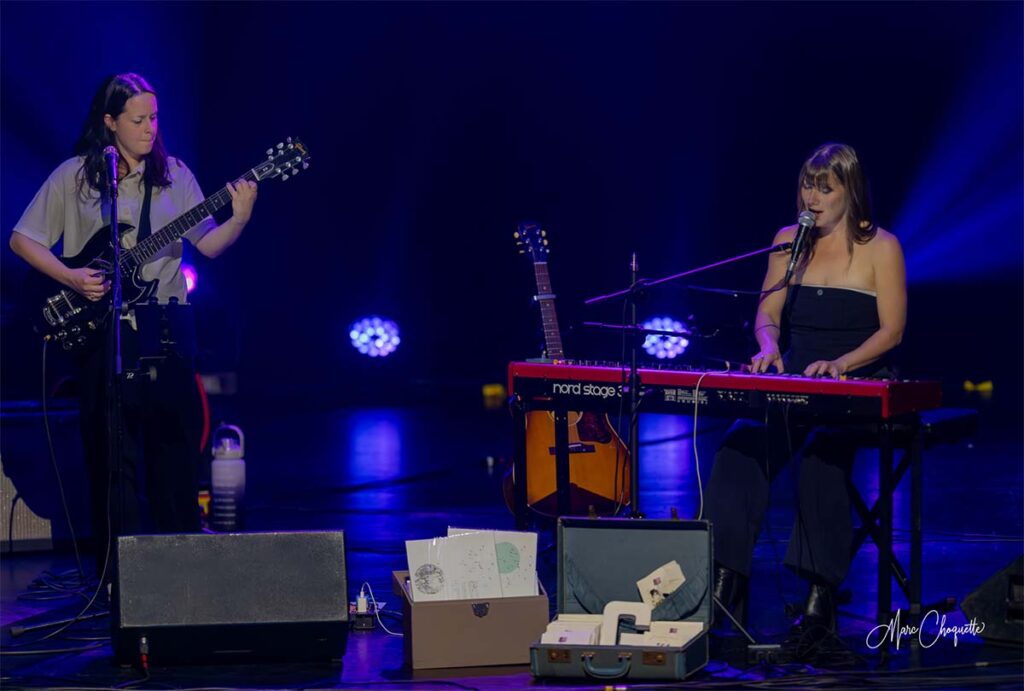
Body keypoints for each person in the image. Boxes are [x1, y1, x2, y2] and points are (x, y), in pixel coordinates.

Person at [9, 73, 257, 579]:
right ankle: (115, 582)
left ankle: (182, 578)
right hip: (107, 335)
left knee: (175, 458)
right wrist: (73, 277)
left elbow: (207, 245)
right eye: (138, 120)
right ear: (110, 122)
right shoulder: (75, 176)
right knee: (111, 463)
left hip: (166, 332)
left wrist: (239, 217)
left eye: (155, 118)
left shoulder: (176, 176)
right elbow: (22, 240)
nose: (150, 129)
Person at [705, 143, 906, 648]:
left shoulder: (881, 246)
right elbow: (767, 314)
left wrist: (842, 364)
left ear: (849, 191)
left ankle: (820, 604)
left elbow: (893, 331)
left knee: (823, 456)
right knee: (739, 447)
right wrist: (769, 344)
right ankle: (727, 586)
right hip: (795, 382)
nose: (812, 198)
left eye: (825, 188)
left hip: (854, 382)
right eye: (806, 186)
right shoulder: (785, 242)